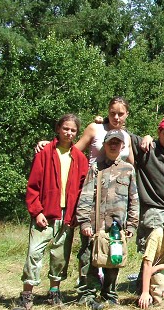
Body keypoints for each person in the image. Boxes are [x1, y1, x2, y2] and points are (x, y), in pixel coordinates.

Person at [36, 96, 134, 286]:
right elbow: (72, 150)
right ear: (107, 112)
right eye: (112, 113)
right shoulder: (95, 128)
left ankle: (107, 287)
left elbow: (131, 164)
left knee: (111, 241)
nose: (116, 117)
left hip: (117, 198)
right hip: (92, 191)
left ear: (127, 115)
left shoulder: (126, 136)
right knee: (89, 242)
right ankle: (86, 286)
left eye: (121, 114)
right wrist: (48, 145)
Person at [12, 114, 89, 310]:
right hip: (46, 213)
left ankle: (54, 292)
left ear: (77, 133)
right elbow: (33, 187)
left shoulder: (80, 158)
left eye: (73, 130)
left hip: (67, 215)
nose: (69, 133)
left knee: (60, 256)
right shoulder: (45, 153)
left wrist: (75, 216)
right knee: (34, 253)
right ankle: (27, 295)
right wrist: (37, 212)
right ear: (58, 128)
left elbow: (82, 191)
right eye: (65, 128)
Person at [76, 129, 139, 310]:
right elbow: (86, 196)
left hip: (116, 226)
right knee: (88, 258)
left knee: (114, 259)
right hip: (94, 224)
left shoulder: (128, 170)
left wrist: (132, 225)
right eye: (110, 142)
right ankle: (87, 294)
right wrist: (84, 222)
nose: (113, 145)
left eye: (117, 143)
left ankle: (108, 293)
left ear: (122, 146)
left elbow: (134, 199)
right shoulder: (96, 168)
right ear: (104, 145)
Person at [130, 117, 164, 253]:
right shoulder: (148, 148)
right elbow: (122, 133)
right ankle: (145, 275)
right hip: (153, 209)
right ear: (159, 132)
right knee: (150, 251)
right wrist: (104, 121)